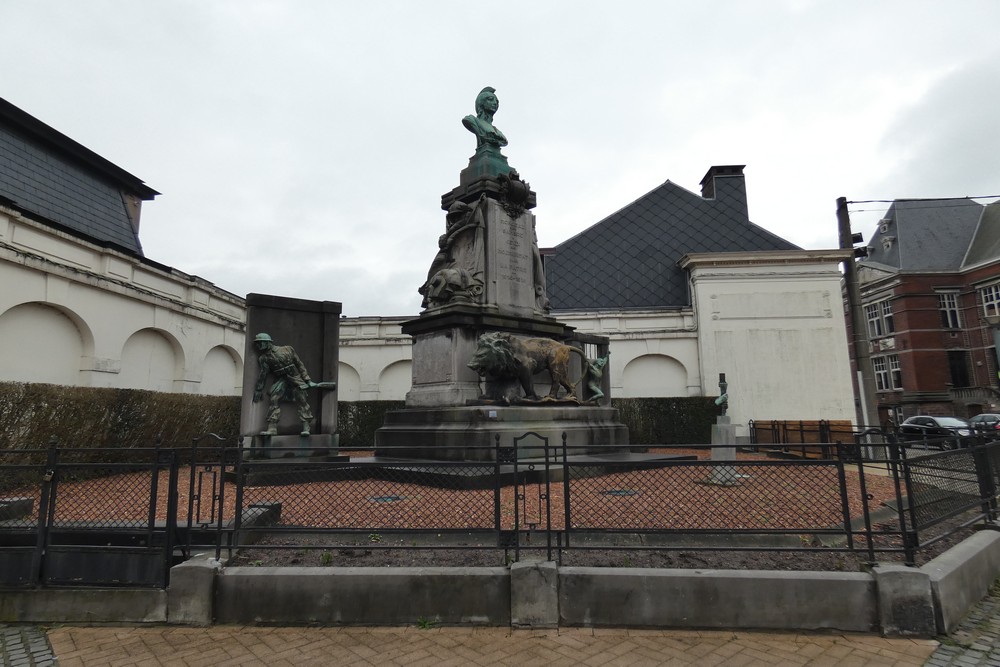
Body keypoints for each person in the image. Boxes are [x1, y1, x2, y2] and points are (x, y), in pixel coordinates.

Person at [252, 332, 317, 436]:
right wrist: (258, 390)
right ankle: (272, 428)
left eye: (260, 343)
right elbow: (263, 375)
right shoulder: (263, 358)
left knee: (302, 400)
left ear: (267, 342)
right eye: (257, 343)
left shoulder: (287, 349)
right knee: (274, 399)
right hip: (281, 380)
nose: (258, 346)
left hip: (295, 378)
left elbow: (299, 364)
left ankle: (306, 426)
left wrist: (307, 380)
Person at [462, 86, 508, 152]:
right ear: (481, 103)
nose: (495, 103)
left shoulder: (498, 132)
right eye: (490, 99)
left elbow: (504, 142)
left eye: (497, 101)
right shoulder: (472, 120)